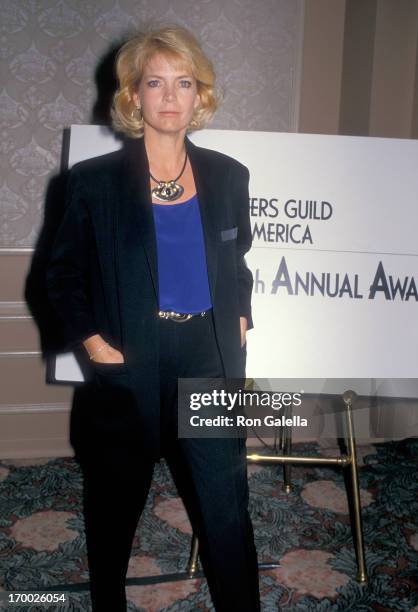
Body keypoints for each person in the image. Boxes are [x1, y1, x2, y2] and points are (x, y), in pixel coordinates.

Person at [46, 25, 260, 611]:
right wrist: (95, 345)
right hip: (128, 359)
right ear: (133, 97)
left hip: (209, 360)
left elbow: (236, 259)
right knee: (115, 507)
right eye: (155, 83)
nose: (170, 96)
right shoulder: (92, 185)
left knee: (226, 505)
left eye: (183, 83)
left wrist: (239, 317)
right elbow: (60, 276)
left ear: (201, 96)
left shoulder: (229, 176)